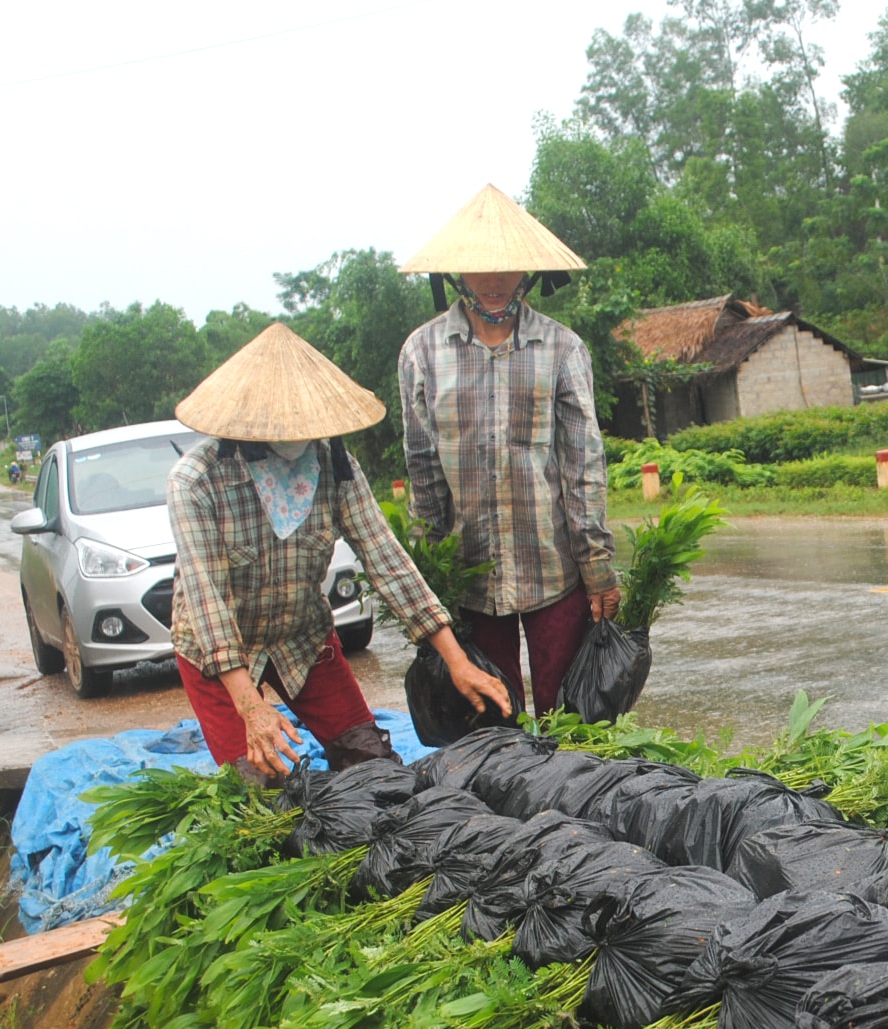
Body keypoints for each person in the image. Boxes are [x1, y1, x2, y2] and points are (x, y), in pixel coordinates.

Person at [167, 322, 510, 783]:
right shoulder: (195, 481)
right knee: (260, 785)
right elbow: (206, 600)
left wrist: (456, 659)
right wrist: (251, 707)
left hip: (302, 640)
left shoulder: (335, 467)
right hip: (219, 656)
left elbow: (386, 560)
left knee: (372, 766)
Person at [397, 184, 618, 717]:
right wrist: (431, 586)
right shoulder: (422, 353)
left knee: (572, 720)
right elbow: (423, 470)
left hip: (553, 570)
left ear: (528, 273)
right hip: (470, 579)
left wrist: (597, 566)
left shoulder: (562, 348)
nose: (494, 282)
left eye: (508, 269)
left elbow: (582, 464)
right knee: (490, 725)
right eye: (480, 269)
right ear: (456, 274)